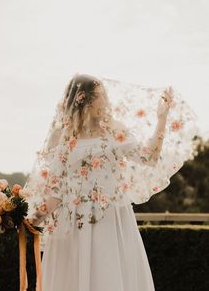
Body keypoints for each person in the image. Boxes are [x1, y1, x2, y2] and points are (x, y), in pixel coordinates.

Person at [23, 73, 198, 291]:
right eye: (99, 96)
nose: (105, 101)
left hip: (111, 221)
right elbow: (56, 190)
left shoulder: (114, 130)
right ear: (81, 98)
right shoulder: (61, 136)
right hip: (72, 224)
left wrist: (161, 118)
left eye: (104, 95)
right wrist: (28, 218)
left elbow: (149, 158)